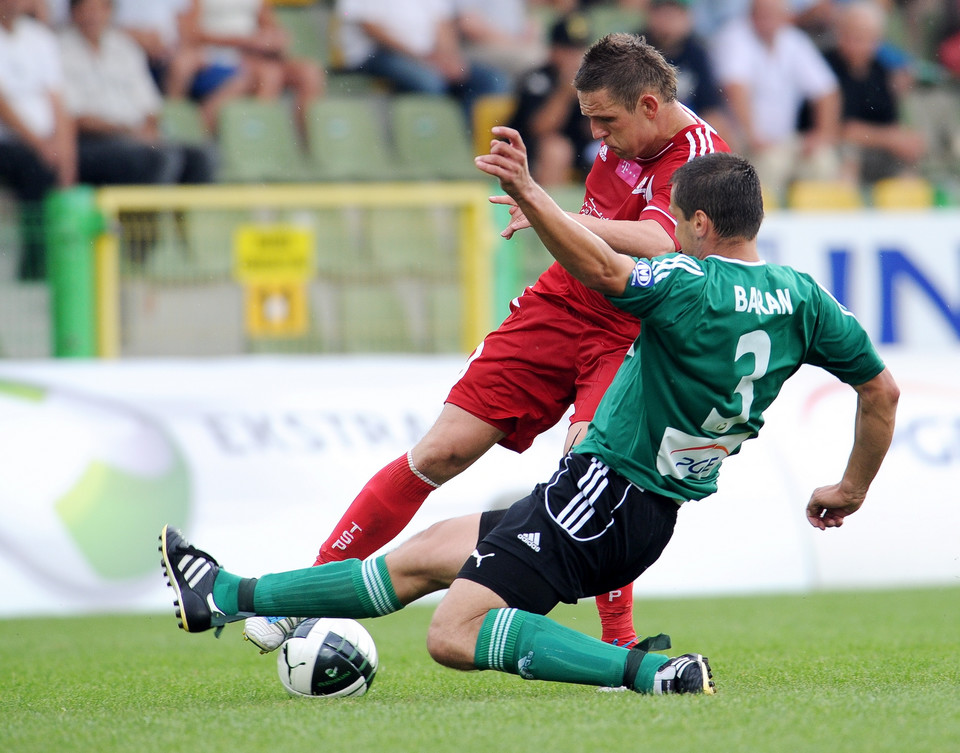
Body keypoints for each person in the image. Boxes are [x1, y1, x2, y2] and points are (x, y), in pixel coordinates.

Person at [160, 149, 899, 696]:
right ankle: (225, 594)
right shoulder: (803, 298)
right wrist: (852, 486)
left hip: (604, 495)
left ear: (700, 223)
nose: (669, 231)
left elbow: (607, 272)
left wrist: (533, 196)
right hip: (642, 509)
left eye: (675, 220)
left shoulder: (688, 282)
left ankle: (652, 673)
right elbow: (881, 393)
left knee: (453, 634)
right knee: (417, 560)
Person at [242, 33, 730, 655]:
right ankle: (303, 598)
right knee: (440, 452)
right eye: (590, 121)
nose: (597, 135)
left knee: (594, 469)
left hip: (630, 330)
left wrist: (551, 209)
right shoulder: (626, 136)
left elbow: (663, 243)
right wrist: (551, 209)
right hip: (561, 302)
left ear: (649, 106)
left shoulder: (701, 157)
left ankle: (625, 643)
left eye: (606, 121)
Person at [59, 0, 216, 187]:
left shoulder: (125, 47)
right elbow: (76, 118)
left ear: (109, 12)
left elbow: (150, 106)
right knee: (160, 158)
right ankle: (148, 216)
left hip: (133, 137)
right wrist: (126, 131)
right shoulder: (59, 50)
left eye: (100, 8)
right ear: (74, 13)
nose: (93, 16)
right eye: (87, 9)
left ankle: (186, 216)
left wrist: (146, 131)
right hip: (93, 141)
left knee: (201, 157)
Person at [709, 0, 842, 200]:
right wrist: (752, 135)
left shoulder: (794, 41)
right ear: (751, 14)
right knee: (770, 164)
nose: (768, 20)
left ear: (785, 16)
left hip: (785, 140)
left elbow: (827, 91)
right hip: (742, 140)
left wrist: (823, 134)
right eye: (763, 14)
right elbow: (735, 89)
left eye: (774, 14)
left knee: (823, 160)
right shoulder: (734, 37)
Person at [334, 0, 510, 120]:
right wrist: (421, 58)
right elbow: (370, 27)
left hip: (427, 56)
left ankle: (467, 143)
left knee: (491, 81)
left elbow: (442, 22)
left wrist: (449, 57)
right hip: (374, 54)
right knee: (430, 82)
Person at [0, 0, 76, 280]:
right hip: (12, 143)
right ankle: (34, 271)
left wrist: (66, 153)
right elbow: (3, 104)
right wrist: (40, 145)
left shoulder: (40, 38)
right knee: (36, 167)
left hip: (41, 143)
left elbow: (57, 100)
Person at [180, 0, 324, 140]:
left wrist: (275, 38)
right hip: (220, 56)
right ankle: (258, 142)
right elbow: (190, 33)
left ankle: (310, 146)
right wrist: (243, 41)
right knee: (269, 75)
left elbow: (270, 25)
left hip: (254, 55)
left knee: (310, 72)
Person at [823, 0, 926, 185]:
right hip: (838, 151)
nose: (859, 45)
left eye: (865, 38)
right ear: (840, 34)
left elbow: (890, 121)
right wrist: (890, 139)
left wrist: (904, 140)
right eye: (854, 36)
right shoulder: (826, 67)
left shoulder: (881, 70)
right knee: (848, 155)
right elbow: (840, 129)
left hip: (875, 149)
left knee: (910, 159)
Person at [507, 11, 599, 186]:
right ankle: (548, 211)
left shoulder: (590, 82)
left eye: (580, 49)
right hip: (529, 148)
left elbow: (594, 131)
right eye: (569, 50)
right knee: (556, 149)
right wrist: (564, 92)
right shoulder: (537, 78)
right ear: (554, 50)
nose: (577, 57)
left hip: (577, 146)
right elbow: (539, 128)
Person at [639, 0, 732, 139]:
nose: (667, 21)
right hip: (646, 126)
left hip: (689, 127)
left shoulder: (696, 52)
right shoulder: (636, 50)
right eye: (662, 13)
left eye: (674, 14)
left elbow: (710, 108)